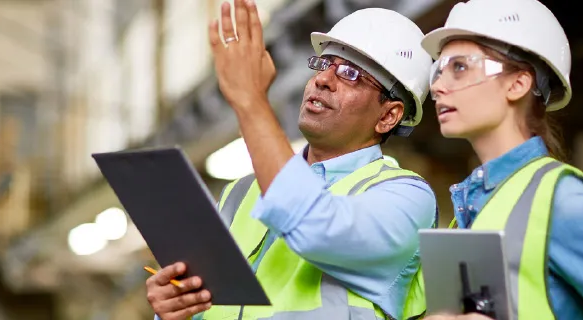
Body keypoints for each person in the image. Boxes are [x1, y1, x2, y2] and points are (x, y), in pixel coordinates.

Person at [144, 1, 437, 320]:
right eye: (324, 64)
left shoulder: (405, 200)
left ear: (388, 115)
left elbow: (316, 228)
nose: (323, 79)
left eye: (350, 73)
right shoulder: (240, 193)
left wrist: (250, 100)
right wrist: (175, 310)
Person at [418, 0, 583, 319]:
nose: (438, 85)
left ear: (518, 84)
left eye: (460, 67)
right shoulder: (475, 204)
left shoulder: (562, 200)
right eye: (439, 70)